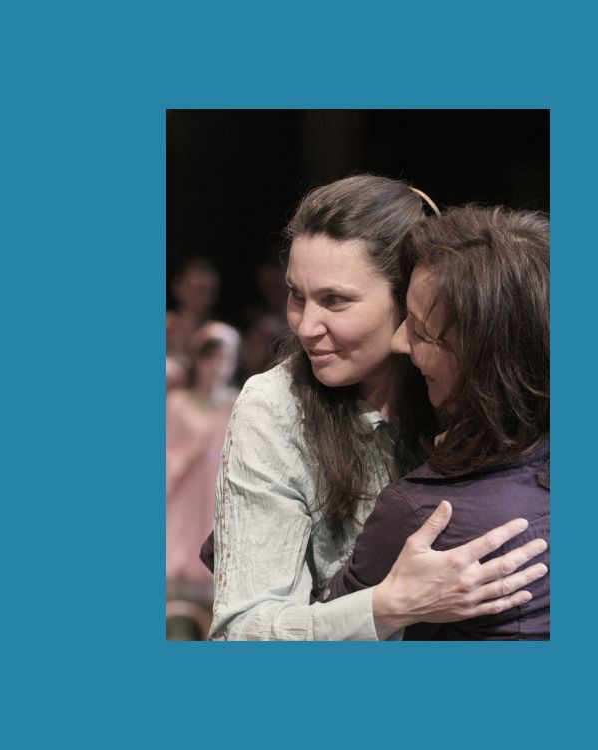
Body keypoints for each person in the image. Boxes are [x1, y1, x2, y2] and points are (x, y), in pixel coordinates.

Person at [209, 175, 548, 641]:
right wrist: (390, 606)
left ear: (411, 297)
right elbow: (240, 632)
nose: (306, 327)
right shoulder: (276, 406)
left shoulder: (463, 383)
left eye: (335, 301)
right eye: (296, 295)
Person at [320, 205, 550, 639]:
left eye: (423, 333)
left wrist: (388, 605)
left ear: (485, 363)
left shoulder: (424, 516)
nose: (398, 341)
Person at [166, 321, 241, 613]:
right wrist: (190, 452)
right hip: (184, 500)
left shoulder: (237, 404)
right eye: (211, 358)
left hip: (218, 500)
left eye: (226, 358)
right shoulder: (177, 404)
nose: (218, 367)